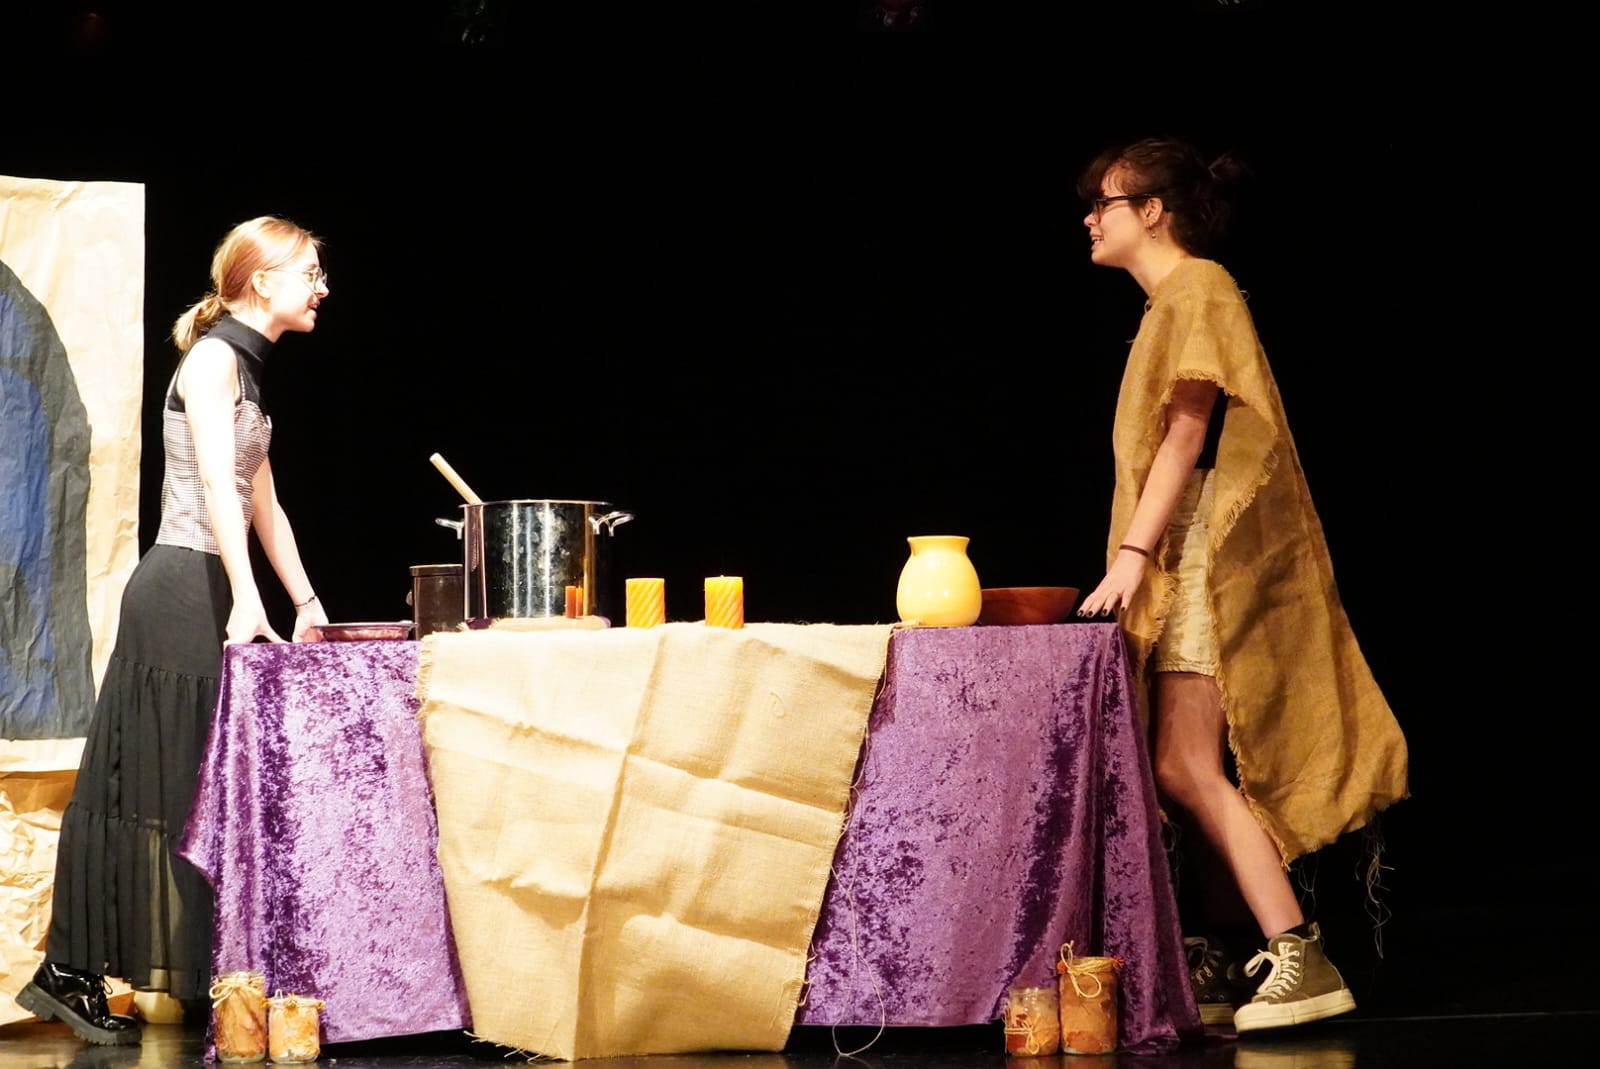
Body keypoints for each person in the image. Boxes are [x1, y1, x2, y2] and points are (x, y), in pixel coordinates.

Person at [1073, 137, 1408, 1034]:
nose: (1090, 219)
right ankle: (1226, 949)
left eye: (1105, 201)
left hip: (1199, 554)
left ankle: (1299, 949)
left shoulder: (1199, 287)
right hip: (1179, 550)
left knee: (1184, 762)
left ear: (1152, 210)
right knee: (1178, 764)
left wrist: (1133, 555)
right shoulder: (1171, 302)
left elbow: (1188, 432)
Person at [17, 216, 332, 1045]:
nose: (321, 286)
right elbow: (220, 495)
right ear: (261, 280)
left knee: (196, 787)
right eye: (309, 272)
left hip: (210, 581)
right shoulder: (214, 360)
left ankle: (195, 972)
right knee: (147, 788)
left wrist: (304, 600)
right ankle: (72, 969)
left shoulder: (246, 371)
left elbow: (264, 503)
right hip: (181, 585)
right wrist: (246, 597)